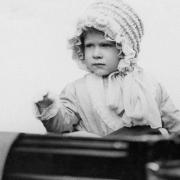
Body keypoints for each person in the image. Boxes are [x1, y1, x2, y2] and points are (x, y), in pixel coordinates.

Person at [35, 0, 180, 137]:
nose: (96, 54)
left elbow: (175, 126)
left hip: (142, 159)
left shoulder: (149, 84)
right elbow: (61, 127)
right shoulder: (76, 90)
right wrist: (49, 108)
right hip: (98, 159)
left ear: (124, 48)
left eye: (105, 45)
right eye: (89, 46)